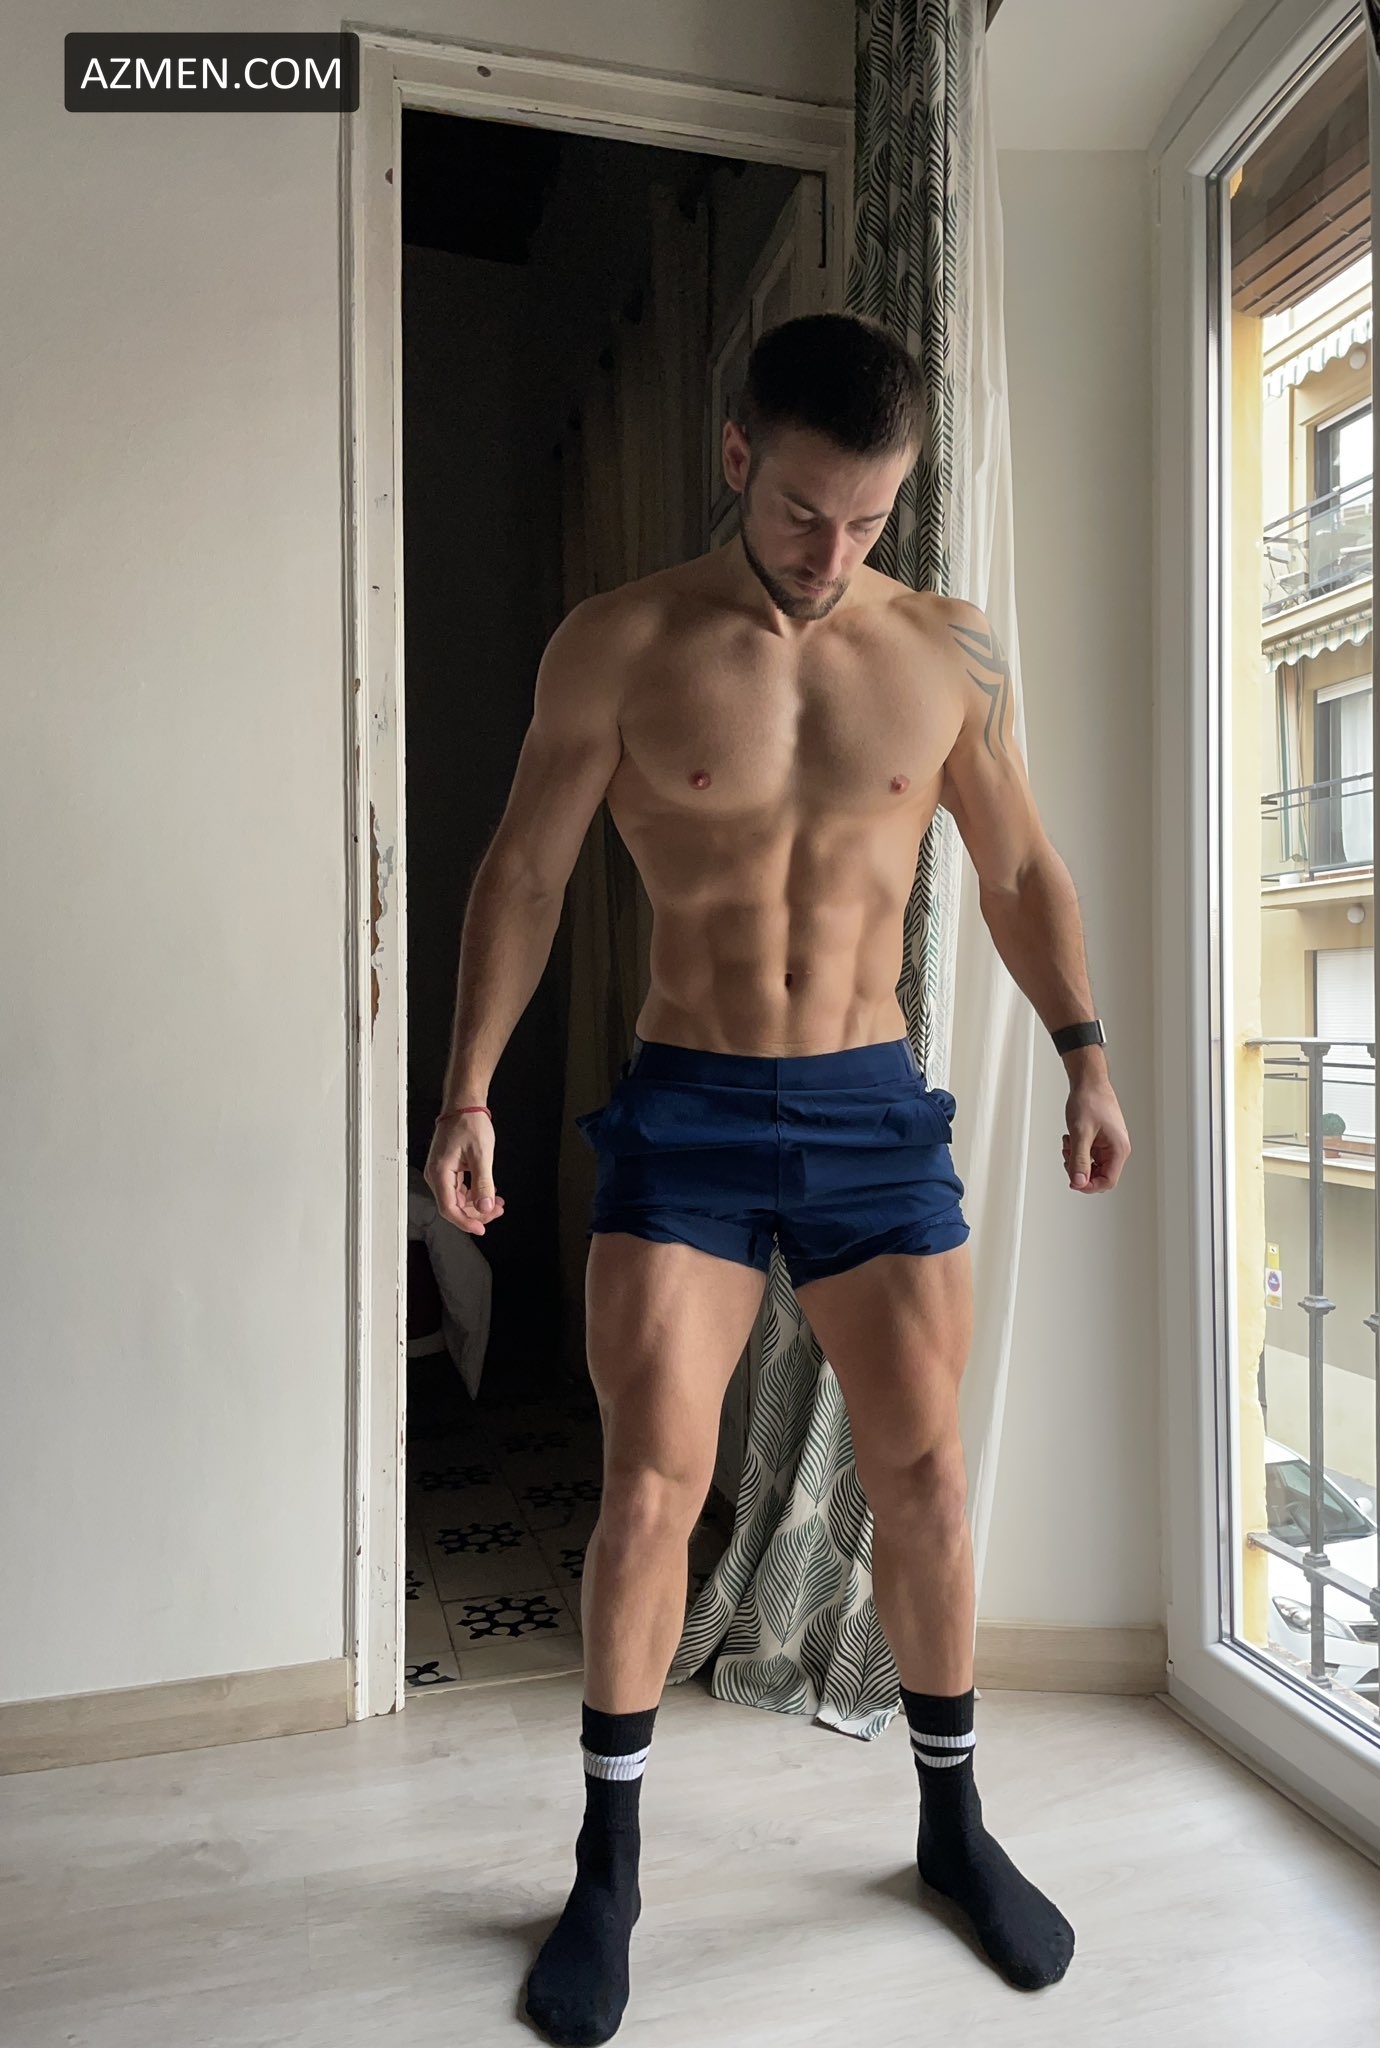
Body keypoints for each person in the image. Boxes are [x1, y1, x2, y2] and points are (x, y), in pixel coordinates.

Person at [425, 311, 1131, 2046]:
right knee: (653, 1490)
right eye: (807, 509)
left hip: (871, 1112)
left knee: (930, 1479)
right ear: (737, 454)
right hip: (688, 1111)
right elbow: (524, 872)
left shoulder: (947, 651)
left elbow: (1019, 867)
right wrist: (466, 1092)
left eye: (870, 519)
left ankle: (953, 1828)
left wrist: (1086, 1049)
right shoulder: (618, 644)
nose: (833, 552)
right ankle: (607, 1872)